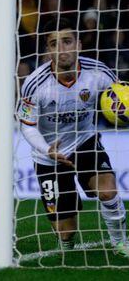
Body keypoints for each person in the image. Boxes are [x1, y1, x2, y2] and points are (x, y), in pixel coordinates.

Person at [17, 17, 129, 256]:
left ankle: (120, 243)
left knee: (108, 191)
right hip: (48, 154)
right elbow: (27, 126)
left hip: (84, 141)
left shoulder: (99, 72)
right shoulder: (34, 84)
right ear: (48, 50)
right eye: (54, 44)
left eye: (67, 41)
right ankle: (65, 245)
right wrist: (47, 150)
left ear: (79, 44)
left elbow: (121, 99)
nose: (62, 49)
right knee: (65, 232)